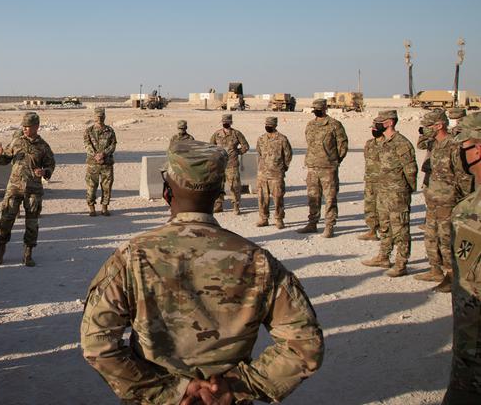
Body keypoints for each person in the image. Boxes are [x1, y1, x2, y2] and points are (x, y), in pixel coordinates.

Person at [81, 140, 324, 404]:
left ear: (167, 192)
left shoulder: (132, 257)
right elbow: (305, 345)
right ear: (219, 195)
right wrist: (237, 387)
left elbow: (97, 343)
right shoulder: (259, 261)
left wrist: (170, 392)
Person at [444, 112, 481, 403]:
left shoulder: (470, 210)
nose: (462, 154)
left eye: (464, 146)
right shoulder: (468, 207)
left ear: (477, 149)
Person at [0, 112, 56, 267]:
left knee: (32, 222)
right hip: (14, 187)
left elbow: (50, 164)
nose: (25, 129)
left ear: (36, 127)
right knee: (6, 219)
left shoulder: (43, 146)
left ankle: (28, 253)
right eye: (24, 126)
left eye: (28, 126)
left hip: (33, 189)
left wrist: (44, 172)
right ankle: (1, 248)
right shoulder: (16, 142)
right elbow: (3, 161)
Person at [361, 110, 417, 277]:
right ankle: (384, 256)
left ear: (390, 122)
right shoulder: (381, 143)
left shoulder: (401, 143)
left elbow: (411, 170)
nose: (377, 124)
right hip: (382, 192)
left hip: (397, 193)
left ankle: (401, 263)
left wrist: (407, 190)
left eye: (381, 121)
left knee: (400, 228)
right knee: (385, 226)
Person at [417, 110, 468, 293]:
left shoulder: (453, 146)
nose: (425, 130)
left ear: (439, 125)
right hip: (432, 199)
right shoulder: (434, 145)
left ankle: (452, 276)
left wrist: (461, 200)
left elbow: (463, 176)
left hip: (448, 201)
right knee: (431, 236)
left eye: (429, 127)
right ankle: (435, 269)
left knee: (447, 239)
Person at [300, 98, 348, 237]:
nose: (316, 110)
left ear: (325, 108)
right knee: (313, 197)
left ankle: (329, 226)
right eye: (314, 108)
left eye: (319, 108)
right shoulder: (310, 125)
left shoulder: (334, 125)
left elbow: (342, 145)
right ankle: (312, 223)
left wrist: (335, 161)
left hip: (328, 168)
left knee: (330, 198)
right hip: (312, 167)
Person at [255, 116, 292, 228]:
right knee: (262, 198)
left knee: (278, 198)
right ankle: (263, 218)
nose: (268, 127)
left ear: (275, 125)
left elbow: (288, 155)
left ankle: (279, 219)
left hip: (276, 174)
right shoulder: (261, 138)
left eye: (270, 125)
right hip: (263, 174)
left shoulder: (282, 139)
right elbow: (259, 153)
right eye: (266, 125)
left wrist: (282, 168)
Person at [209, 113, 249, 214]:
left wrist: (237, 152)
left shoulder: (236, 133)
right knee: (218, 186)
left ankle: (236, 206)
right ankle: (218, 205)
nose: (225, 124)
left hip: (232, 164)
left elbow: (245, 146)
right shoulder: (217, 134)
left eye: (227, 122)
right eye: (224, 122)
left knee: (234, 186)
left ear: (231, 122)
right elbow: (210, 147)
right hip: (219, 165)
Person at [83, 107, 117, 217]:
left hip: (106, 163)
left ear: (104, 117)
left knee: (107, 186)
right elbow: (87, 145)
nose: (100, 119)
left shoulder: (110, 131)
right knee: (91, 186)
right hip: (93, 164)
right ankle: (91, 208)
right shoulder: (88, 131)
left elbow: (113, 145)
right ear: (94, 117)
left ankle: (104, 208)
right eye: (98, 117)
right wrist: (95, 155)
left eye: (102, 117)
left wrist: (104, 154)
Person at [359, 122, 383, 241]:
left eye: (374, 128)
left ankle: (386, 234)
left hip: (385, 181)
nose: (373, 130)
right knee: (370, 206)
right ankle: (372, 230)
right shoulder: (369, 143)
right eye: (372, 128)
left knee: (384, 208)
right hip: (370, 180)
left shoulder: (389, 144)